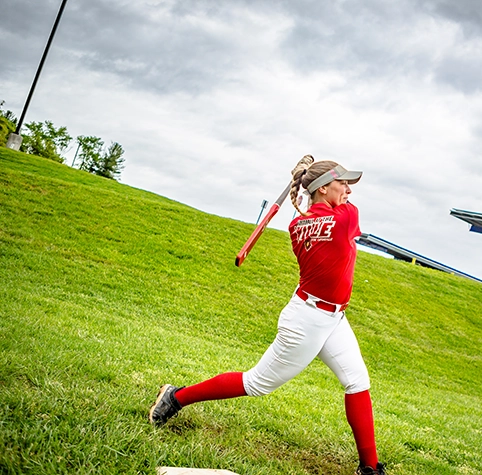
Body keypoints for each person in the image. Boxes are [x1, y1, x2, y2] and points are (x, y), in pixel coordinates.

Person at [149, 155, 386, 475]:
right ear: (323, 187)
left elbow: (316, 215)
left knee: (357, 381)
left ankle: (369, 468)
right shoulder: (346, 218)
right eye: (343, 183)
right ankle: (176, 397)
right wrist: (307, 178)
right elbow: (338, 215)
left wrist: (305, 180)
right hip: (306, 322)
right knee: (257, 383)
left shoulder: (296, 224)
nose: (349, 190)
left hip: (332, 318)